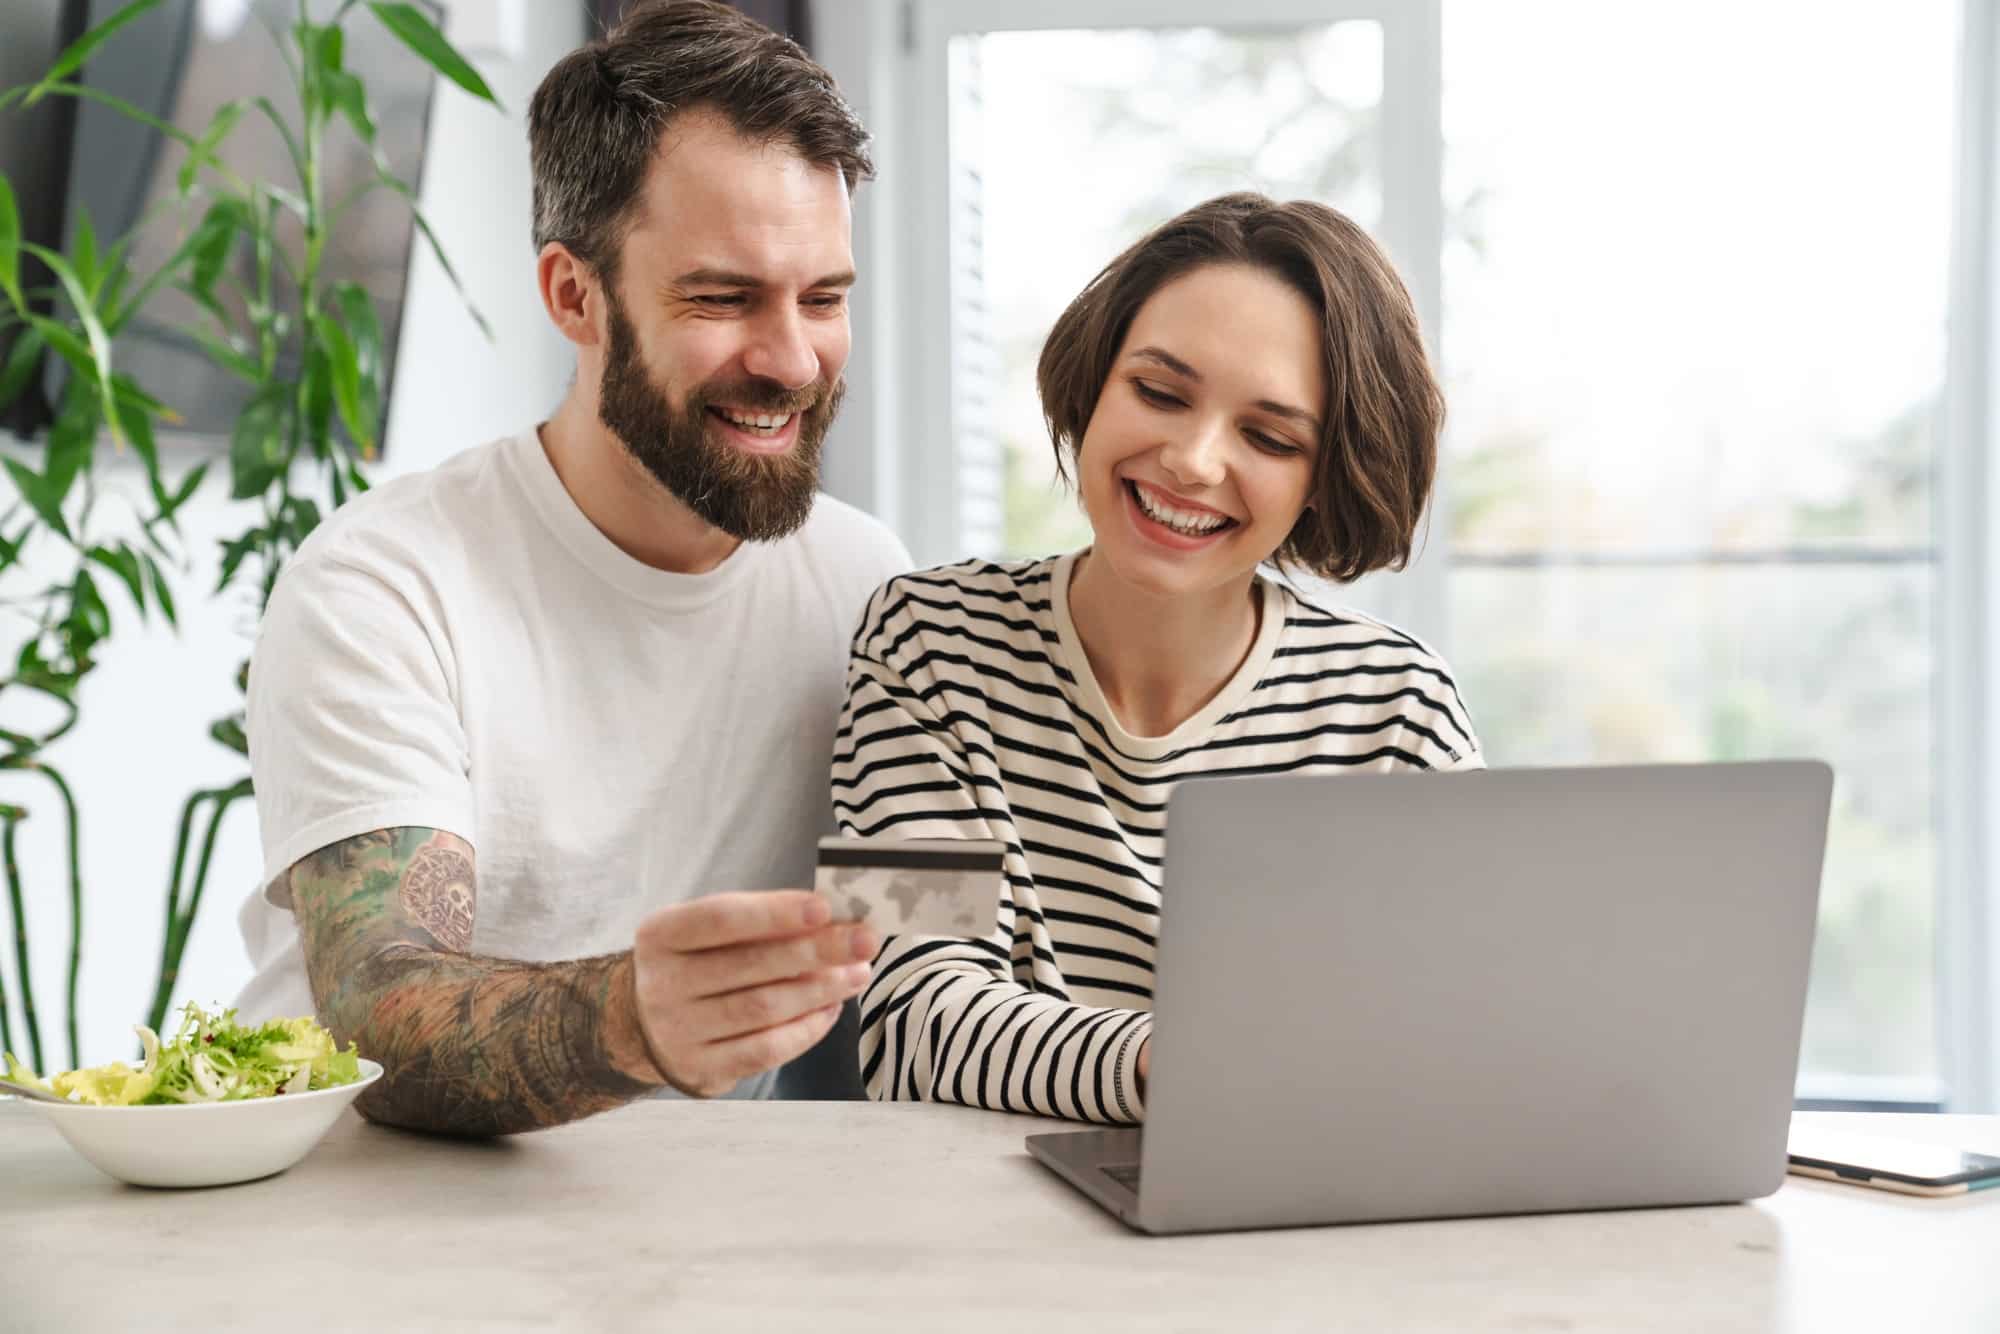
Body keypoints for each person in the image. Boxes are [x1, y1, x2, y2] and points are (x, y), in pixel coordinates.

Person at [234, 0, 909, 1135]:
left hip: (672, 1235)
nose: (791, 358)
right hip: (359, 1216)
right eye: (721, 297)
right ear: (572, 295)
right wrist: (631, 1017)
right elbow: (374, 1005)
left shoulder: (860, 582)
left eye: (824, 297)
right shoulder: (386, 583)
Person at [833, 192, 1483, 1124]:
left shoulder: (1396, 711)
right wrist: (1181, 1064)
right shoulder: (926, 643)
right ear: (1095, 384)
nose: (1191, 460)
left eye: (1269, 436)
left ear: (1321, 476)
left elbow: (1456, 1038)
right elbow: (908, 1024)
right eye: (1160, 392)